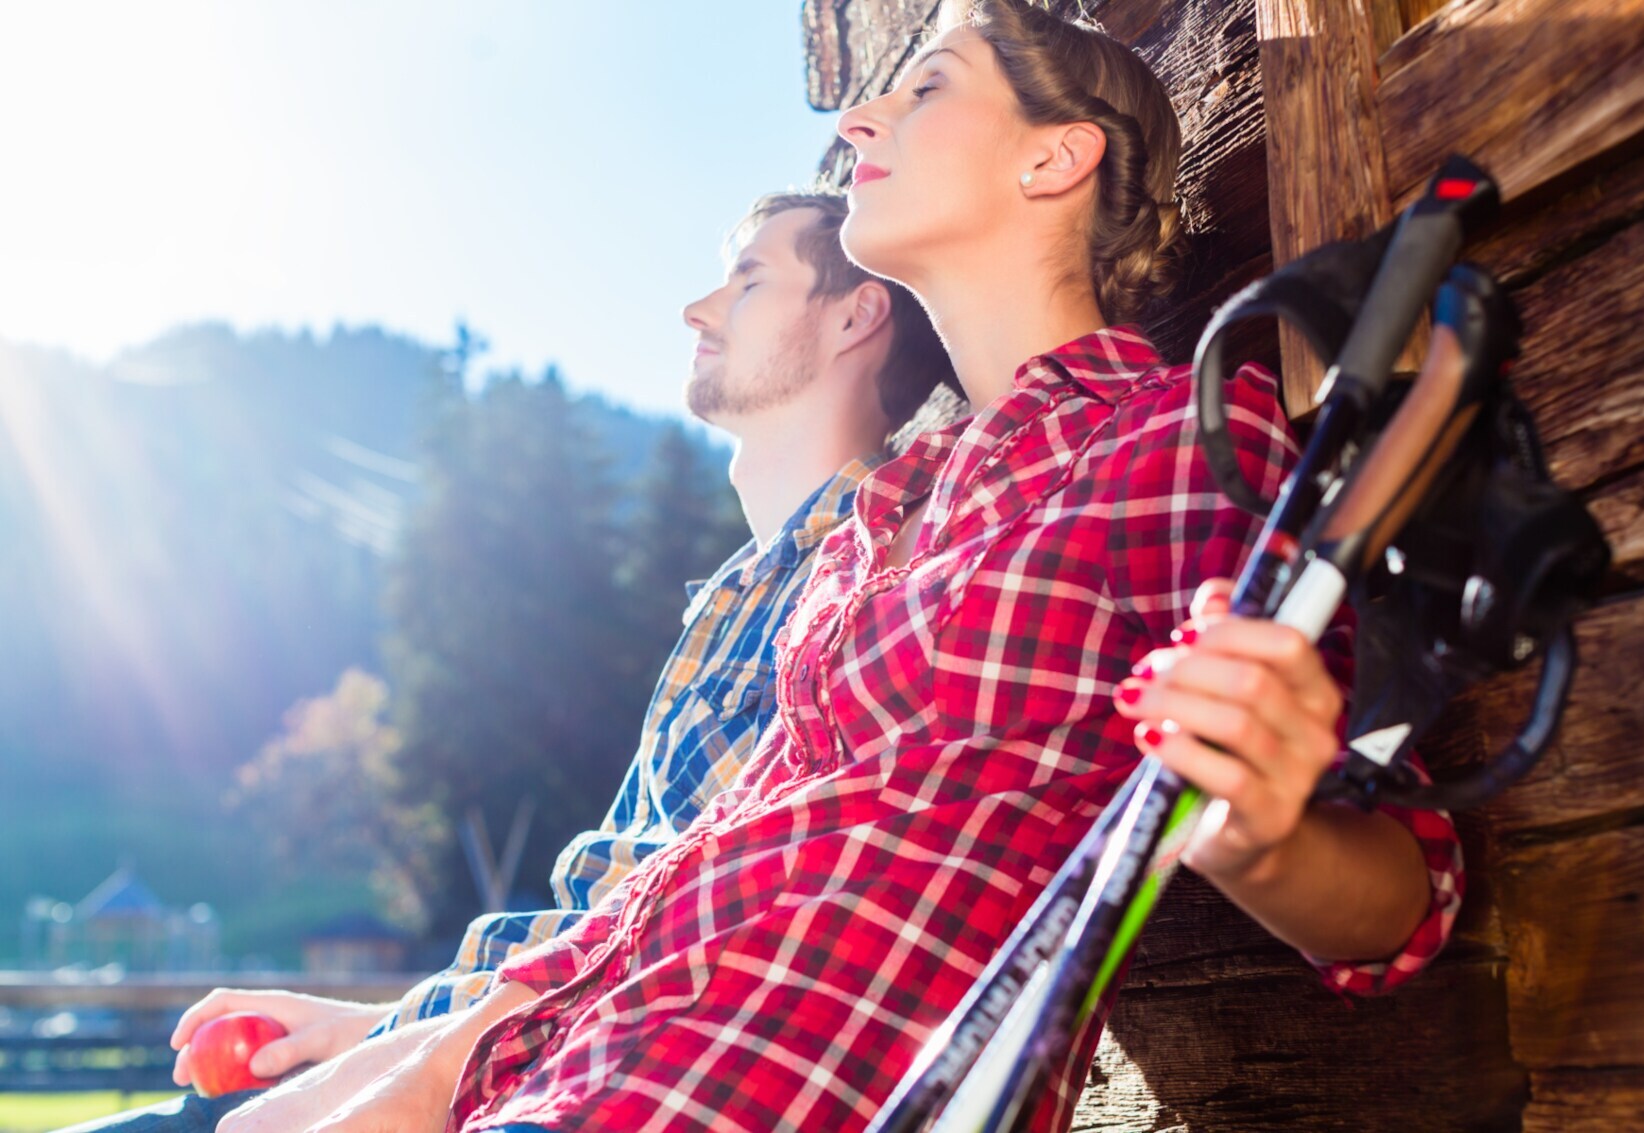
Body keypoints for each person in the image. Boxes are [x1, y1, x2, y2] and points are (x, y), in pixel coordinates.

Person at [214, 3, 1466, 1131]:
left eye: (923, 89)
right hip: (573, 1068)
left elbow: (1401, 892)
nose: (861, 111)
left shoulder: (1173, 444)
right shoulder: (883, 511)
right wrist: (432, 1053)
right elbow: (699, 863)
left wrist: (1258, 834)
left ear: (1053, 156)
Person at [57, 189, 955, 1133]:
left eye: (749, 279)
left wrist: (394, 1049)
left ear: (857, 315)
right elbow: (606, 917)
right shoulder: (745, 589)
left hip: (566, 1083)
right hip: (509, 1055)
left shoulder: (858, 587)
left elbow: (661, 936)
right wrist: (372, 1028)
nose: (698, 310)